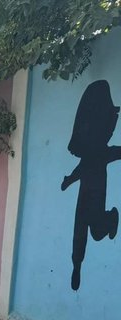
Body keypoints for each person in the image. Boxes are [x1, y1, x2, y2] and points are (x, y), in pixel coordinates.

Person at [62, 80, 121, 291]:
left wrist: (69, 180)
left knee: (96, 232)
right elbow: (80, 169)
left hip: (96, 199)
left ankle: (111, 217)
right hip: (84, 198)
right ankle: (76, 267)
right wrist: (68, 181)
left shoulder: (102, 151)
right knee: (79, 235)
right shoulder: (89, 153)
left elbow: (116, 152)